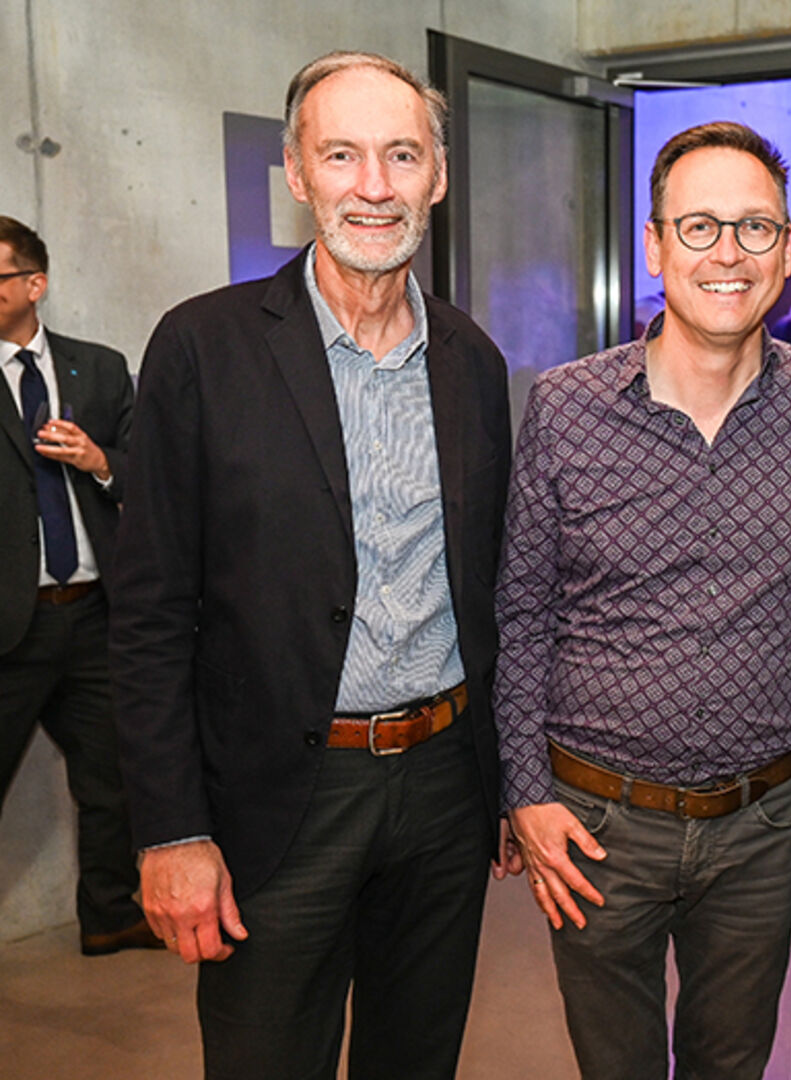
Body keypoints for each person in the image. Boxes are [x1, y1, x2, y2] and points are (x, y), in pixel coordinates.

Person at [109, 52, 511, 1078]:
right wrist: (169, 830)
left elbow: (495, 591)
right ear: (296, 172)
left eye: (400, 155)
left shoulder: (474, 362)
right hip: (276, 802)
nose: (372, 186)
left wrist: (507, 782)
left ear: (437, 177)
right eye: (341, 155)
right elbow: (149, 609)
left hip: (442, 795)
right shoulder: (203, 347)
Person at [495, 120, 791, 1080]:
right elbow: (520, 612)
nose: (728, 253)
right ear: (656, 243)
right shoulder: (567, 405)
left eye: (755, 228)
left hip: (766, 826)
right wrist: (525, 795)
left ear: (788, 249)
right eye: (700, 226)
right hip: (594, 826)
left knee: (731, 1065)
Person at [0, 216, 152, 956]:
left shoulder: (99, 366)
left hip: (93, 614)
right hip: (9, 620)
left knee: (112, 775)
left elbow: (145, 472)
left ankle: (111, 914)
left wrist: (99, 459)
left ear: (35, 284)